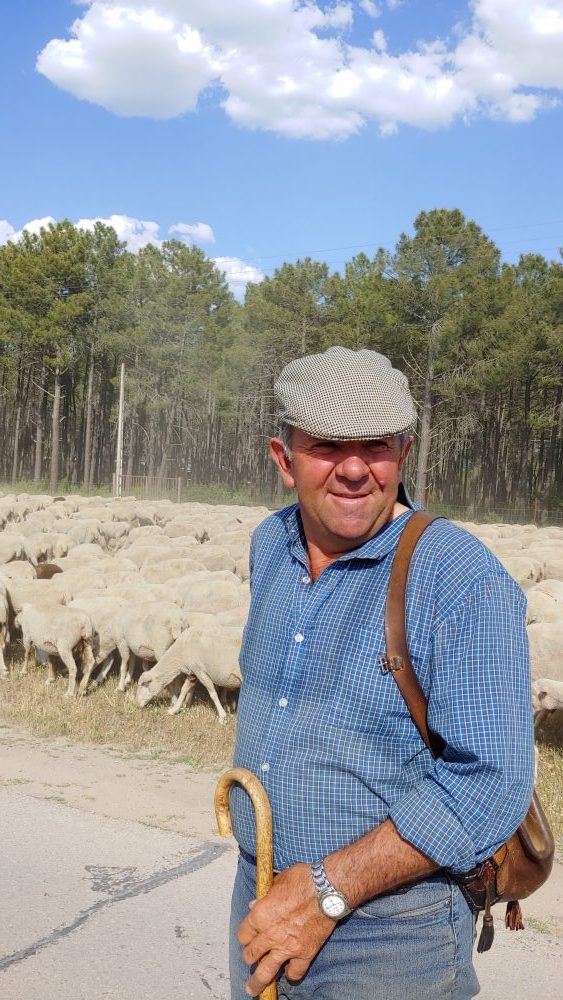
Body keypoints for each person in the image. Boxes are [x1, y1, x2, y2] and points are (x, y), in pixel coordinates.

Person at [228, 346, 535, 1000]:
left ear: (404, 452)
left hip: (392, 935)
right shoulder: (268, 549)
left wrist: (327, 889)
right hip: (258, 899)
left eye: (375, 446)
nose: (352, 469)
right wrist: (285, 889)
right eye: (326, 446)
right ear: (283, 460)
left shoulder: (458, 579)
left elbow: (489, 779)